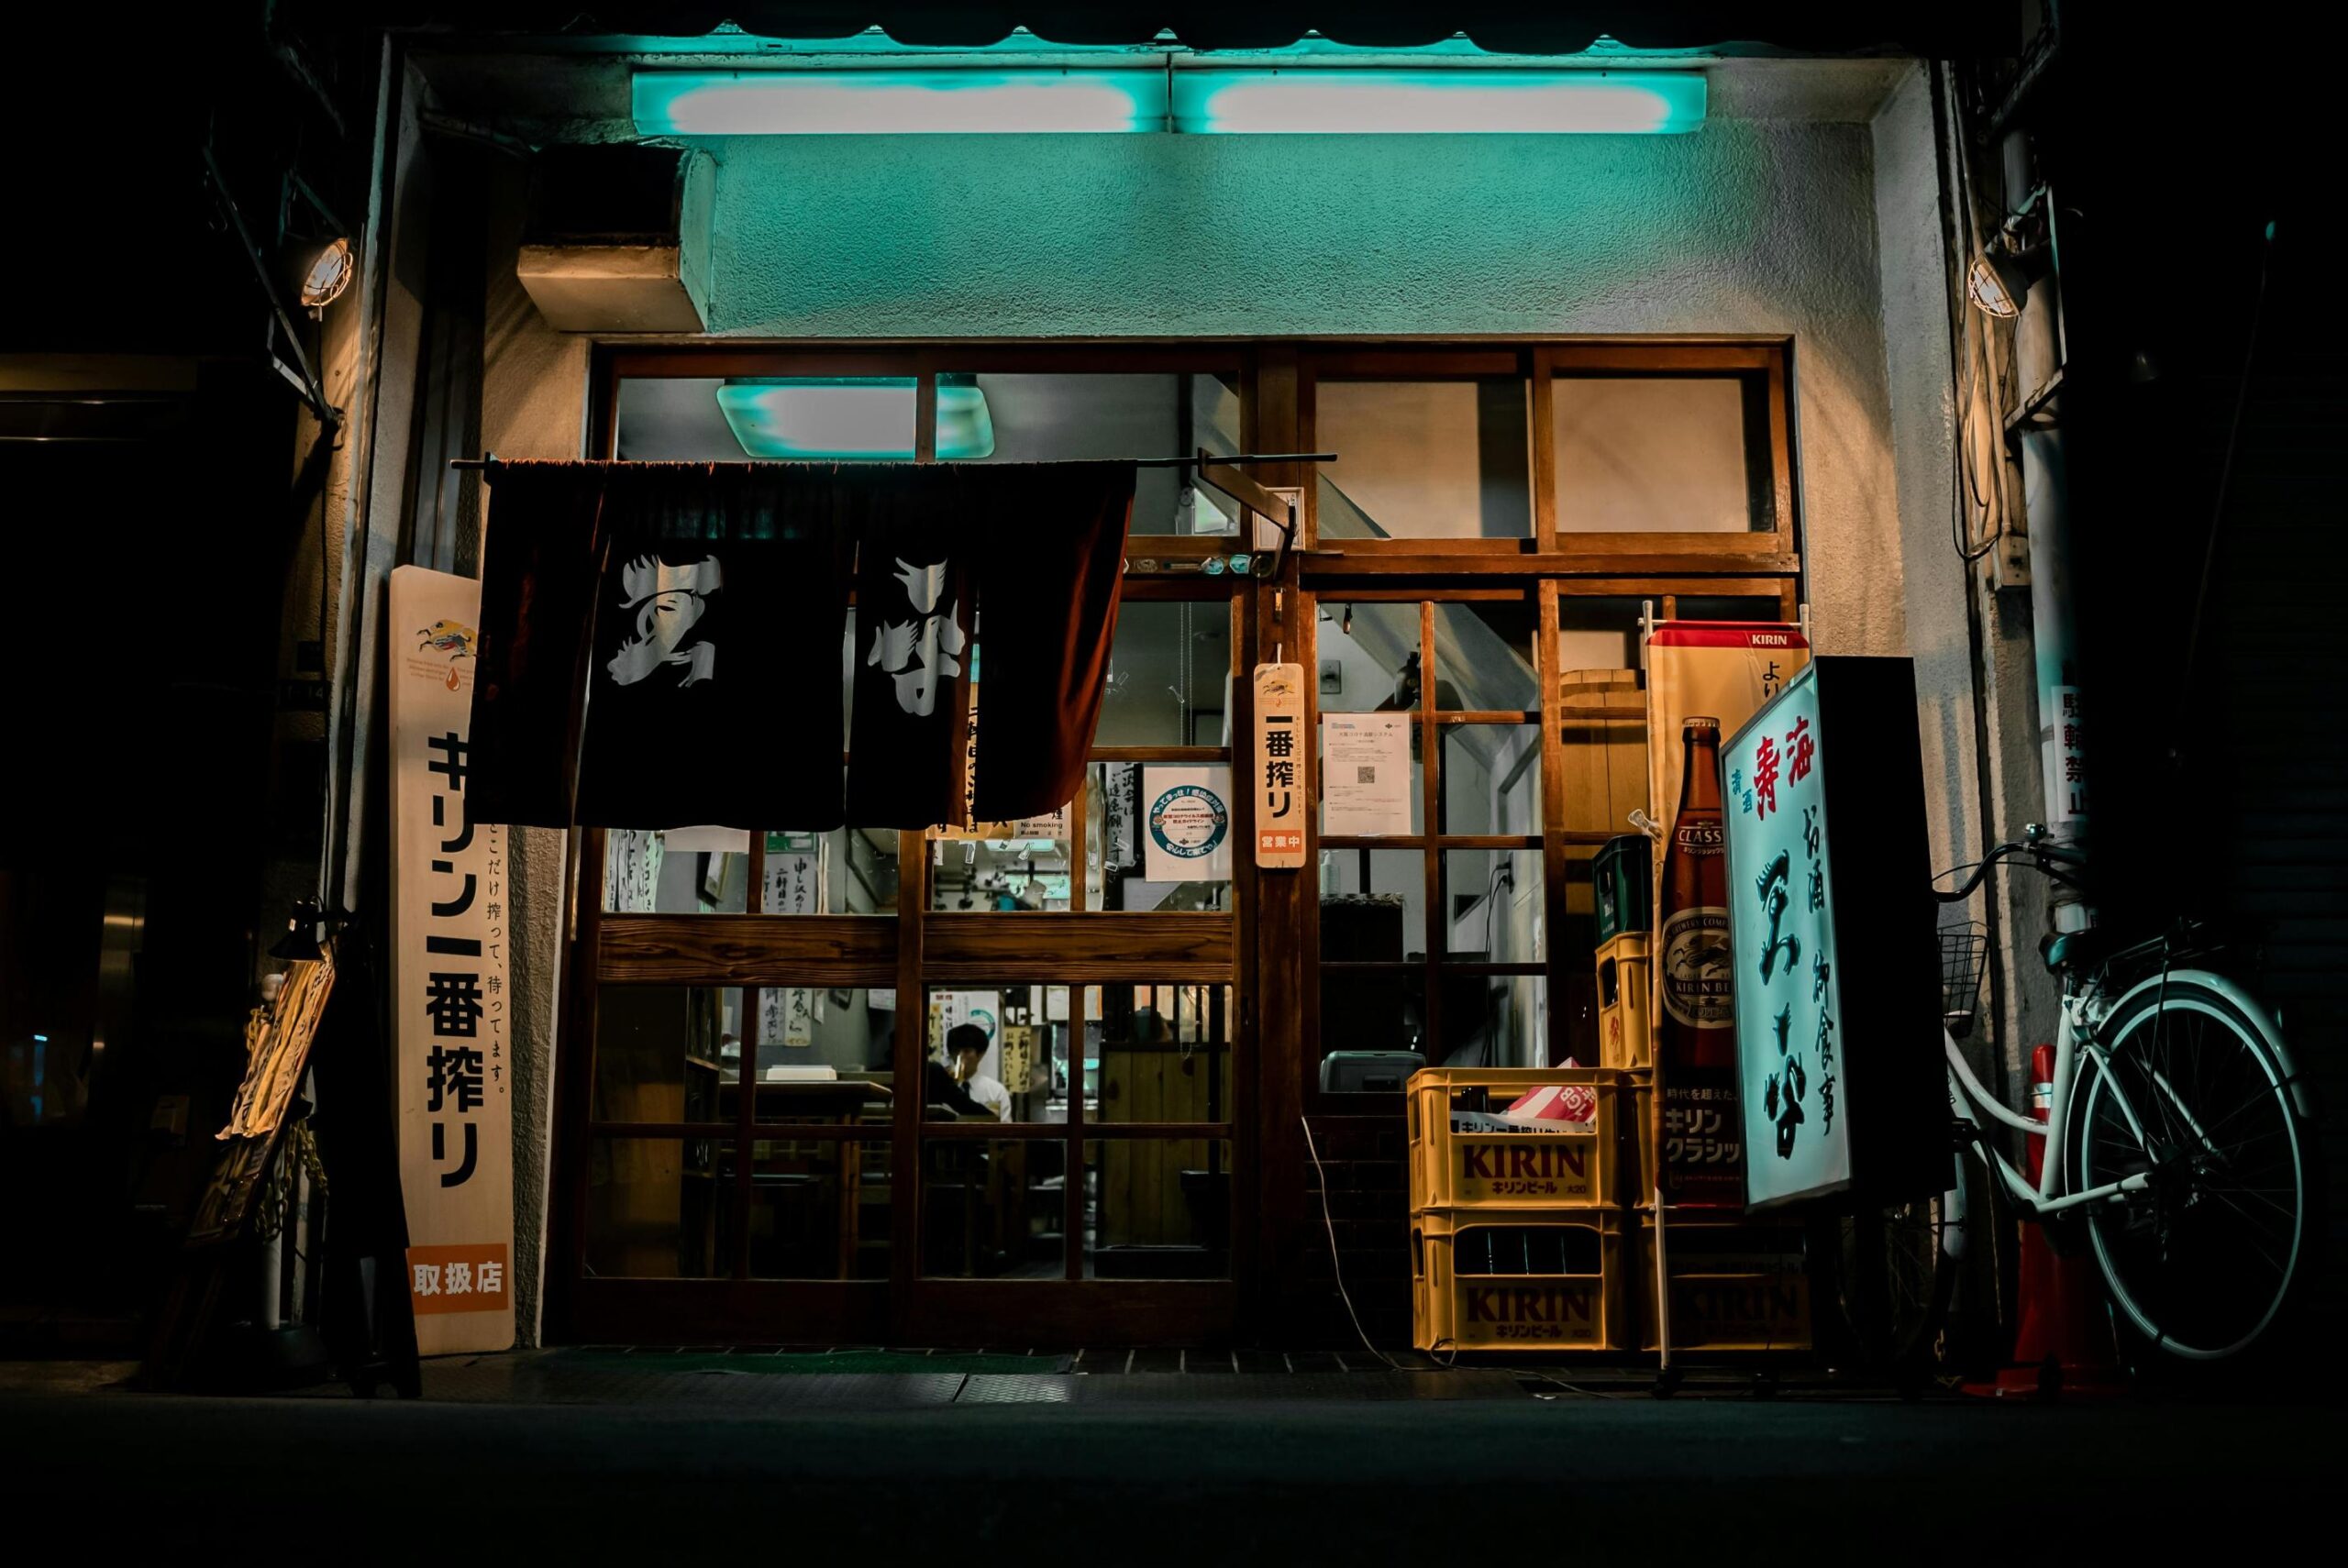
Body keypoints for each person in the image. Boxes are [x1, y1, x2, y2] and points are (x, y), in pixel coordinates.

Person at [947, 1022, 1012, 1122]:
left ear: (981, 1054)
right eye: (955, 1051)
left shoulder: (996, 1091)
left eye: (967, 1051)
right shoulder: (942, 1088)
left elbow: (1005, 1131)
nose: (960, 1056)